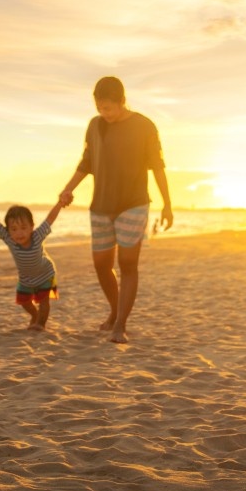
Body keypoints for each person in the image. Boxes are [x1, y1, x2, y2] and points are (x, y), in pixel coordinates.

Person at [59, 76, 171, 344]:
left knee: (128, 264)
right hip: (101, 205)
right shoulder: (95, 125)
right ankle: (114, 309)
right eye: (99, 108)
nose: (104, 113)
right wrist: (68, 188)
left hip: (133, 203)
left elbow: (157, 166)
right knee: (101, 265)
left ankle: (120, 323)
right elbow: (86, 162)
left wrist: (167, 203)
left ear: (122, 101)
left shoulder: (145, 126)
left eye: (108, 108)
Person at [0, 202, 65, 330]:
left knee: (44, 301)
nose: (19, 233)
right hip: (25, 279)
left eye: (23, 227)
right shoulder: (10, 240)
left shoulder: (37, 236)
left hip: (45, 275)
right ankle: (35, 314)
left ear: (31, 227)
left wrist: (60, 204)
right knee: (24, 302)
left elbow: (50, 219)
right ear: (8, 231)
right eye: (14, 229)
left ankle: (40, 324)